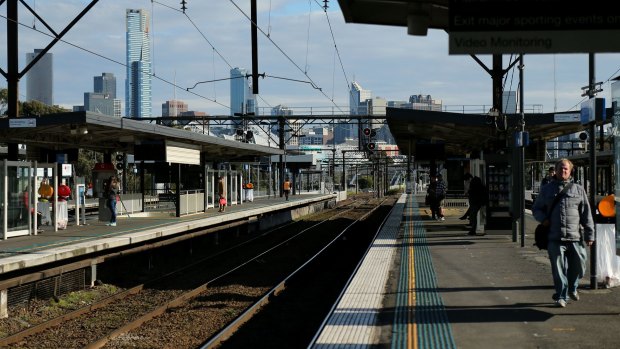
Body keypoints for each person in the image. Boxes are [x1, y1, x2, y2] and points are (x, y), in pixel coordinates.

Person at [532, 159, 594, 308]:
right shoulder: (547, 189)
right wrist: (543, 219)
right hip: (555, 237)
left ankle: (572, 287)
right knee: (559, 269)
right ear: (556, 170)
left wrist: (590, 235)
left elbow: (586, 214)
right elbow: (536, 209)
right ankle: (561, 296)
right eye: (560, 169)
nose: (563, 171)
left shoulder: (578, 189)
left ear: (570, 171)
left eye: (566, 169)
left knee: (580, 266)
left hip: (575, 236)